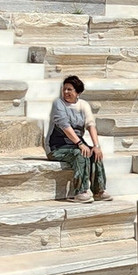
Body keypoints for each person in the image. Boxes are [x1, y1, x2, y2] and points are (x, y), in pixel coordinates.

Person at [47, 75, 112, 203]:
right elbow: (65, 127)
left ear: (78, 92)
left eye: (69, 89)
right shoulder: (58, 104)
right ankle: (81, 191)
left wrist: (96, 146)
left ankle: (99, 190)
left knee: (94, 153)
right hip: (57, 147)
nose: (65, 92)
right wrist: (80, 143)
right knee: (80, 153)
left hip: (75, 144)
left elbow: (90, 125)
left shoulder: (83, 105)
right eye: (64, 89)